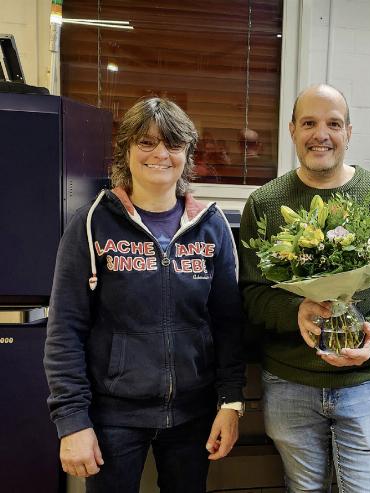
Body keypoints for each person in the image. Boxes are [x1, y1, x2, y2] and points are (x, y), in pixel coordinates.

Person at [44, 97, 246, 493]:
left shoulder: (212, 227)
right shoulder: (91, 225)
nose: (160, 155)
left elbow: (228, 324)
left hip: (194, 416)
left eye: (173, 145)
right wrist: (72, 422)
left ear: (186, 155)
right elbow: (65, 330)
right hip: (112, 418)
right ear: (126, 151)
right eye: (146, 143)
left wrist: (231, 403)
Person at [238, 84, 370, 493]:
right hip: (289, 384)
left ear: (349, 132)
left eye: (333, 123)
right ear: (292, 130)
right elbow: (252, 292)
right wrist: (295, 312)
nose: (321, 133)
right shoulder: (265, 204)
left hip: (365, 382)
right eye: (309, 123)